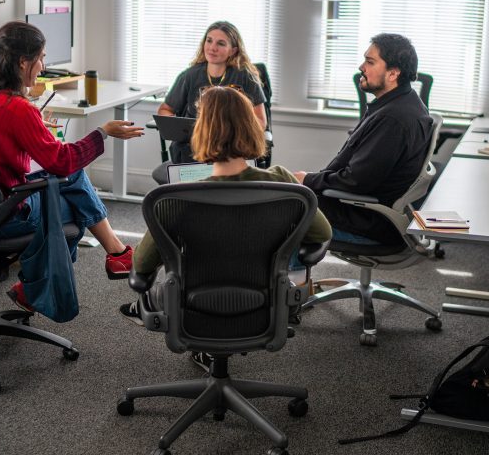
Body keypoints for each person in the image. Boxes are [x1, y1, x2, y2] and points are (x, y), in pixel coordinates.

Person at [121, 86, 332, 351]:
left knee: (153, 289)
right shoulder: (283, 184)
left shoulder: (175, 199)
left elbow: (141, 266)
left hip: (191, 304)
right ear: (250, 127)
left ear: (201, 132)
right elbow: (322, 234)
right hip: (266, 302)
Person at [0, 21, 144, 312]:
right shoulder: (17, 108)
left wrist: (34, 131)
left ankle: (112, 254)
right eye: (41, 57)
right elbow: (62, 161)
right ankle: (109, 256)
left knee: (72, 180)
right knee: (75, 203)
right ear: (23, 62)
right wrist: (103, 132)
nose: (43, 66)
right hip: (6, 214)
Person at [294, 33, 434, 246]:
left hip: (368, 221)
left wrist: (308, 180)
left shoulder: (392, 119)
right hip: (367, 211)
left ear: (393, 73)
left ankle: (285, 279)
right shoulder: (402, 104)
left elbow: (356, 181)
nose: (362, 67)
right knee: (285, 193)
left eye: (370, 62)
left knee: (283, 207)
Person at [157, 21, 267, 164]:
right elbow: (165, 110)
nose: (212, 48)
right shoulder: (189, 76)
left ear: (233, 50)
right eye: (209, 41)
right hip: (194, 149)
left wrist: (234, 131)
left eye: (221, 44)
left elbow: (260, 122)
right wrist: (177, 126)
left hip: (233, 150)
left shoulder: (245, 77)